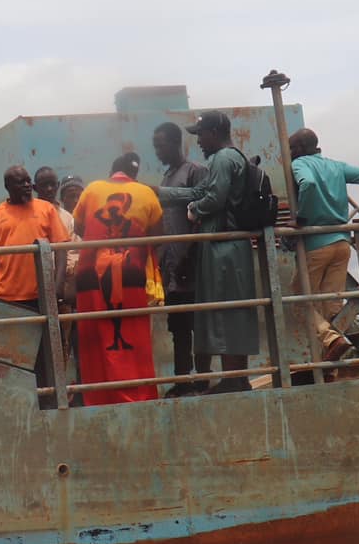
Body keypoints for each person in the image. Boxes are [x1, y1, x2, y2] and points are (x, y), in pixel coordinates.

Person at [157, 112, 260, 393]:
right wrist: (162, 194)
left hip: (223, 245)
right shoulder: (224, 159)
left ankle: (233, 378)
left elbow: (214, 197)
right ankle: (237, 376)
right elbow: (201, 189)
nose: (199, 141)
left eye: (201, 135)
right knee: (230, 310)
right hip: (226, 245)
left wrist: (194, 211)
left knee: (226, 311)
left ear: (214, 132)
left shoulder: (224, 159)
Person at [70, 160, 165, 404]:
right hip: (132, 275)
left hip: (91, 276)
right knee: (134, 336)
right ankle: (139, 396)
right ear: (135, 175)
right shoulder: (146, 193)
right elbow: (157, 237)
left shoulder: (91, 190)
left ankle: (100, 398)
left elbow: (80, 227)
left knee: (95, 336)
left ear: (111, 172)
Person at [288, 128, 359, 363]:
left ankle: (332, 341)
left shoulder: (300, 164)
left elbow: (307, 184)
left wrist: (301, 219)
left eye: (291, 148)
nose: (289, 153)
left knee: (298, 300)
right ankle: (331, 365)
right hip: (342, 243)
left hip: (317, 246)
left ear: (299, 149)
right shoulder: (336, 166)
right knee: (332, 306)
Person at [152, 124, 211, 394]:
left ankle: (202, 379)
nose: (157, 150)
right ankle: (181, 381)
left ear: (176, 143)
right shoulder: (167, 177)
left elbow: (202, 215)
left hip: (191, 263)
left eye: (160, 144)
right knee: (178, 326)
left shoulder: (194, 171)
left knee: (198, 324)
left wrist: (189, 254)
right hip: (172, 265)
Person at [0, 165, 72, 303]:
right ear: (8, 186)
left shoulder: (46, 209)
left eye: (28, 181)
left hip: (42, 295)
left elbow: (61, 249)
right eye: (21, 182)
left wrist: (57, 287)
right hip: (5, 296)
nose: (27, 185)